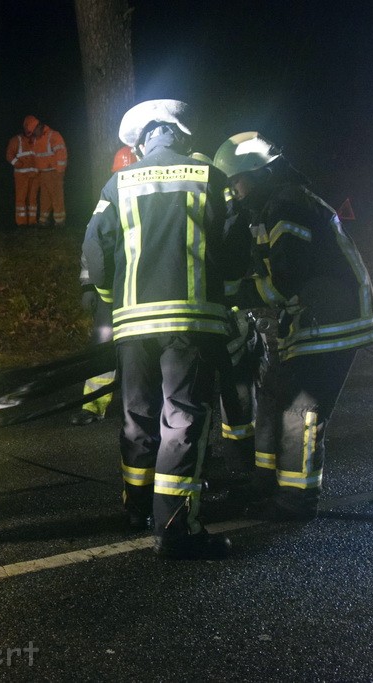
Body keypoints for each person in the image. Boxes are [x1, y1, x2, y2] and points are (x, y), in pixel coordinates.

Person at [81, 99, 246, 560]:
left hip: (133, 324)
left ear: (141, 143)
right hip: (191, 321)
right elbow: (235, 248)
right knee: (183, 419)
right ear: (179, 133)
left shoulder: (117, 183)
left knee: (137, 415)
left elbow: (95, 254)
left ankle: (136, 508)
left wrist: (115, 304)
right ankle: (175, 530)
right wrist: (228, 296)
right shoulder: (208, 176)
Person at [213, 131, 373, 521]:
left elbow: (286, 275)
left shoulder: (286, 207)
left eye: (236, 181)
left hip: (331, 322)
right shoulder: (271, 206)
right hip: (312, 321)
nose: (233, 191)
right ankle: (269, 488)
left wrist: (240, 293)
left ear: (257, 174)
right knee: (281, 399)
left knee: (301, 412)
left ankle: (295, 502)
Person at [69, 146, 137, 427]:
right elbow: (92, 246)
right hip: (114, 288)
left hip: (125, 289)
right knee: (103, 349)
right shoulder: (111, 199)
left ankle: (130, 407)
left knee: (124, 348)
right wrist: (88, 285)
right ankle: (94, 405)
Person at [31, 118, 68, 227]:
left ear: (39, 126)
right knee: (44, 198)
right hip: (43, 173)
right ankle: (43, 220)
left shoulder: (53, 136)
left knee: (56, 197)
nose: (34, 134)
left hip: (54, 172)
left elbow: (61, 153)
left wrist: (59, 170)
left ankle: (59, 221)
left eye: (34, 131)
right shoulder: (36, 139)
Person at [5, 115, 39, 227]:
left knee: (32, 199)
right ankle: (21, 222)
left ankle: (32, 221)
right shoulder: (16, 140)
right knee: (21, 199)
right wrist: (18, 164)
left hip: (35, 174)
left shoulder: (37, 140)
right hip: (21, 175)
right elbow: (9, 155)